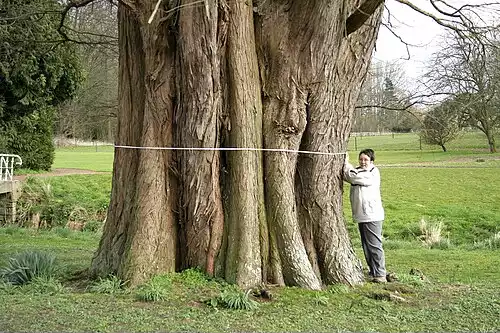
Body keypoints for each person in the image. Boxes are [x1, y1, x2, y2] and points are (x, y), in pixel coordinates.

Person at [343, 148, 387, 283]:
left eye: (366, 160)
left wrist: (345, 162)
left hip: (372, 215)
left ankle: (380, 273)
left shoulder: (372, 173)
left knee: (374, 245)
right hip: (362, 214)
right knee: (366, 246)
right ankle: (373, 271)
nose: (363, 162)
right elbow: (348, 175)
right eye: (361, 159)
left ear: (372, 161)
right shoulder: (359, 170)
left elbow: (352, 176)